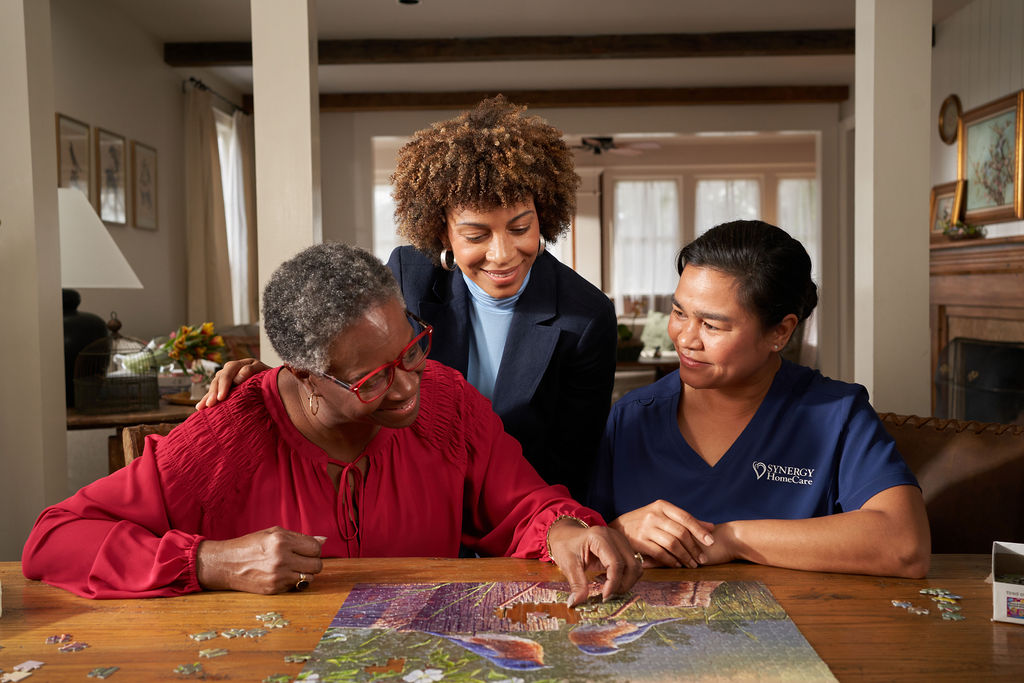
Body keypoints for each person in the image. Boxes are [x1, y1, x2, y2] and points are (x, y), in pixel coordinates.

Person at [23, 243, 641, 602]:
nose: (408, 388)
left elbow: (526, 505)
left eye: (413, 349)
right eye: (372, 379)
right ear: (302, 373)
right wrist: (209, 562)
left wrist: (561, 527)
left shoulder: (446, 399)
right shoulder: (224, 437)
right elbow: (53, 538)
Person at [200, 96, 617, 500]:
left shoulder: (587, 317)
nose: (503, 254)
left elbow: (572, 465)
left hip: (518, 504)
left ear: (543, 216)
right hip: (414, 489)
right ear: (442, 233)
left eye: (521, 228)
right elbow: (357, 364)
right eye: (476, 235)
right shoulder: (407, 273)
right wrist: (282, 381)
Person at [588, 220, 931, 578]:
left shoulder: (837, 414)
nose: (686, 338)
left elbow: (905, 546)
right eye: (679, 313)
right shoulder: (629, 417)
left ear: (780, 332)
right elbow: (578, 536)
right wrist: (619, 530)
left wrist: (731, 539)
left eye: (712, 325)